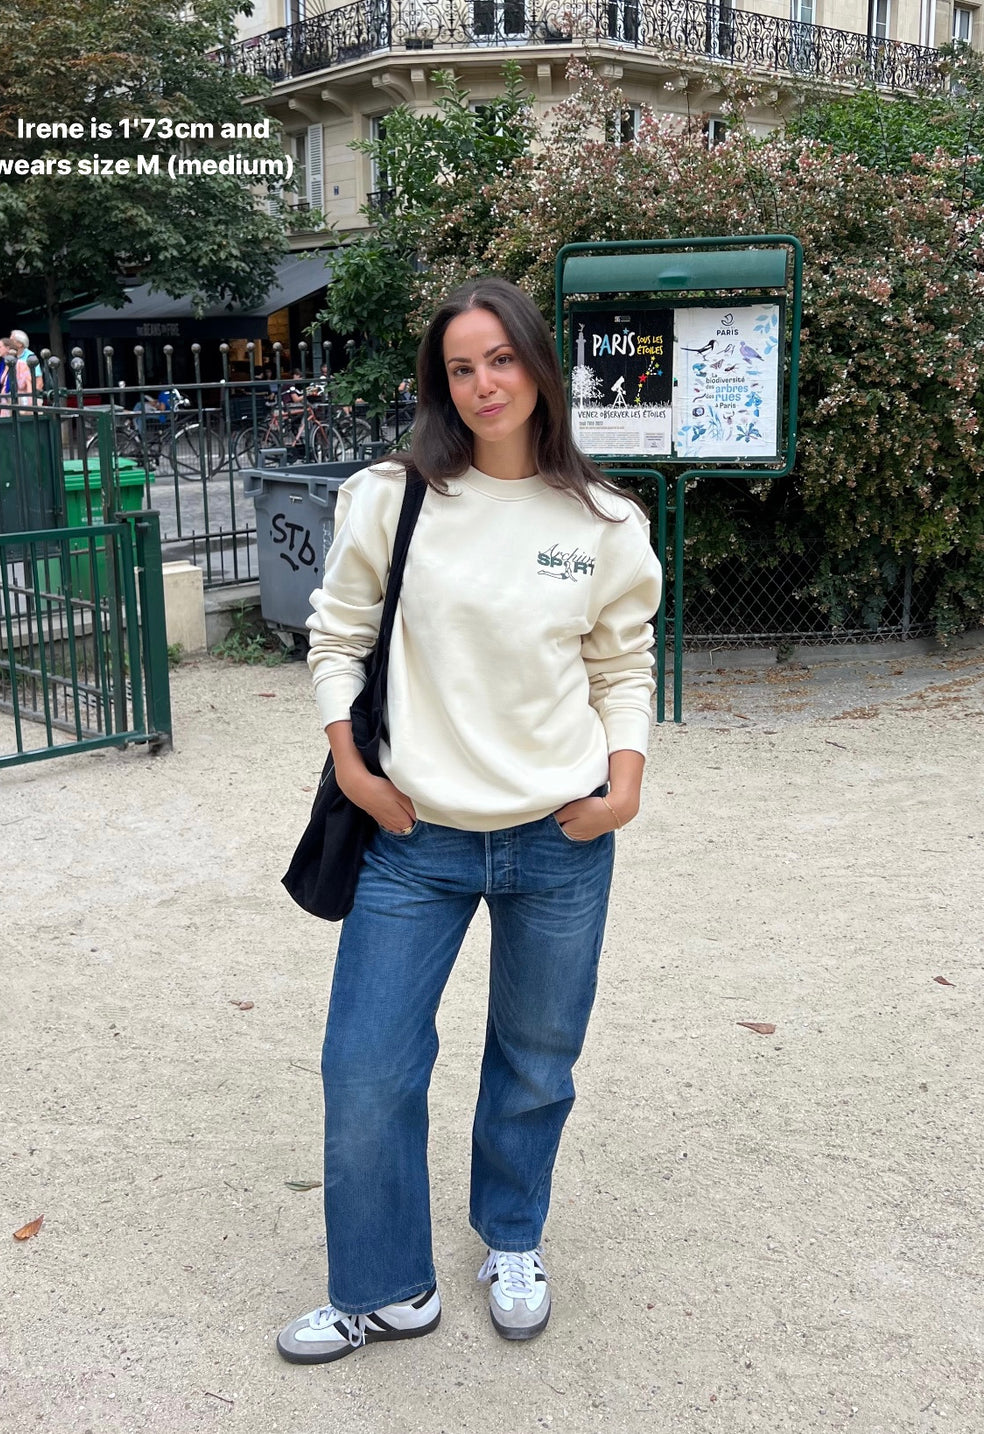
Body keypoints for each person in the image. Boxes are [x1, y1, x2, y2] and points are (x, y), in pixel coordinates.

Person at [277, 276, 663, 1365]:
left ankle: (512, 1238)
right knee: (365, 1067)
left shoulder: (604, 522)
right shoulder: (391, 497)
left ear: (538, 366)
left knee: (537, 1061)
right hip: (415, 839)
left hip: (560, 837)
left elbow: (621, 664)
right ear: (439, 383)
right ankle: (385, 1287)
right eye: (460, 367)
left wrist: (624, 784)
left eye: (500, 358)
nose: (484, 383)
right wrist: (352, 766)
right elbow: (337, 635)